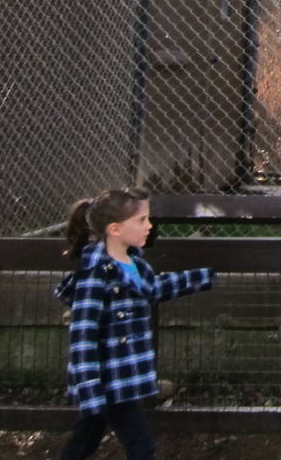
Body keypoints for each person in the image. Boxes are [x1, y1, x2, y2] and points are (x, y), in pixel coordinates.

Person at [55, 188, 213, 460]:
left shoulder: (133, 264)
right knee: (142, 447)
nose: (149, 226)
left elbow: (153, 288)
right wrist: (91, 391)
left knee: (85, 441)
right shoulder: (95, 275)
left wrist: (206, 277)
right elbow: (83, 338)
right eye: (141, 220)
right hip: (107, 381)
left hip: (123, 377)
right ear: (115, 229)